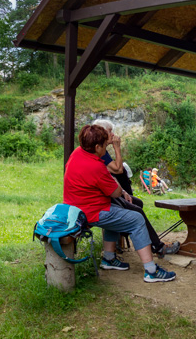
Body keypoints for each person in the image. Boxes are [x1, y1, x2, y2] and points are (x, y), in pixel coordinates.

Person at [64, 124, 175, 283]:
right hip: (90, 212)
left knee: (116, 210)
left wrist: (120, 190)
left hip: (77, 207)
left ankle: (108, 259)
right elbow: (115, 192)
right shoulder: (95, 166)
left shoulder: (78, 153)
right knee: (136, 219)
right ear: (97, 147)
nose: (105, 150)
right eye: (104, 145)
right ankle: (151, 270)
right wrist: (121, 190)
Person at [91, 119, 180, 256]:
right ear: (101, 132)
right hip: (99, 200)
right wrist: (117, 148)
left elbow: (112, 176)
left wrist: (124, 191)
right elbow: (118, 170)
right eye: (110, 131)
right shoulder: (98, 152)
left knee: (137, 203)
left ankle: (118, 246)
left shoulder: (100, 150)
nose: (113, 134)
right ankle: (157, 247)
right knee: (136, 212)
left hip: (104, 194)